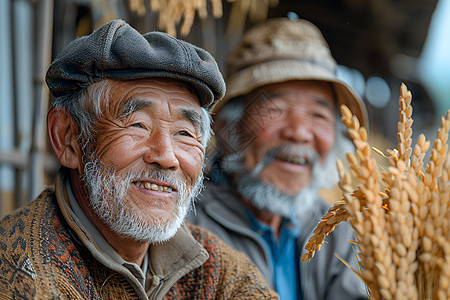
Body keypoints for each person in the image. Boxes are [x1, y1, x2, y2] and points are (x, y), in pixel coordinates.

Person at [0, 19, 278, 299]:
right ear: (68, 137)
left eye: (184, 132)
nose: (167, 157)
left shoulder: (216, 270)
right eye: (137, 125)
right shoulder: (20, 271)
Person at [187, 18, 369, 299]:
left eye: (318, 115)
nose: (298, 133)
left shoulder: (338, 229)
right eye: (276, 109)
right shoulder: (186, 225)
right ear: (227, 126)